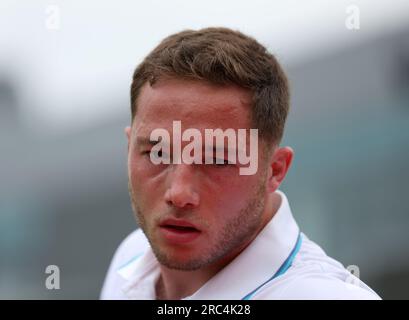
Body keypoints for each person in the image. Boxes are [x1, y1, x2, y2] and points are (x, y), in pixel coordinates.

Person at [100, 27, 381, 300]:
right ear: (129, 148)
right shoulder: (131, 258)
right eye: (157, 153)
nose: (179, 193)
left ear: (275, 170)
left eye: (217, 160)